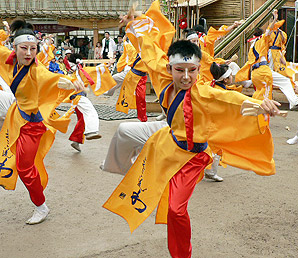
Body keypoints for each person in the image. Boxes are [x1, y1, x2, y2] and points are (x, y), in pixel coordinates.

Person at [103, 2, 281, 258]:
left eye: (192, 71)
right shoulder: (162, 77)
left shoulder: (205, 93)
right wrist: (135, 22)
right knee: (123, 131)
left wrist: (260, 104)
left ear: (199, 70)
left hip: (192, 156)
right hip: (167, 140)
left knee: (175, 210)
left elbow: (231, 100)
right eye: (180, 71)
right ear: (169, 69)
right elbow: (150, 48)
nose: (186, 77)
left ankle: (182, 255)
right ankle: (120, 166)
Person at [0, 19, 84, 225]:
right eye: (24, 48)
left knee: (24, 168)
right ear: (14, 47)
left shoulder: (38, 71)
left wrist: (74, 82)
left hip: (31, 125)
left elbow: (56, 79)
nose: (28, 53)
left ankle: (41, 206)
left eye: (32, 49)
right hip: (13, 115)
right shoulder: (5, 57)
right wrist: (4, 32)